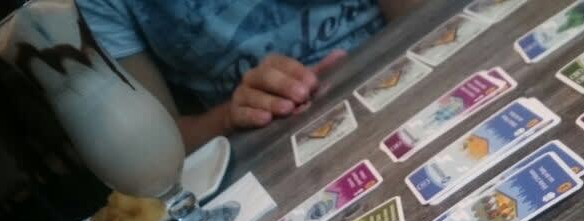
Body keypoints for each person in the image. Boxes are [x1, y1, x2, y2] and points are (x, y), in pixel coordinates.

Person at [76, 0, 421, 150]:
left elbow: (422, 13)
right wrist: (229, 116)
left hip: (402, 58)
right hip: (267, 143)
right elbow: (158, 143)